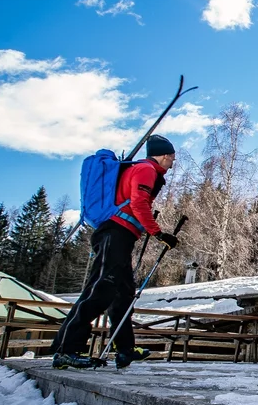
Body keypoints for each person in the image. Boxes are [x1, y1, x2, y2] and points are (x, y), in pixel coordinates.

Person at [51, 135, 180, 369]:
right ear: (162, 155)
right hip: (114, 232)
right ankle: (66, 349)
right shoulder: (146, 170)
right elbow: (138, 202)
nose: (172, 162)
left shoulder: (144, 170)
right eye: (171, 157)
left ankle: (125, 349)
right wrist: (158, 233)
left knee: (123, 295)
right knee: (100, 289)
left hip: (122, 234)